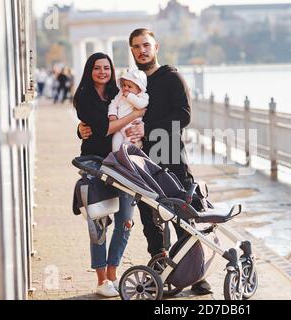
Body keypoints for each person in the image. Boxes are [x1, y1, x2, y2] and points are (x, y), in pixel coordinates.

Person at [79, 29, 212, 295]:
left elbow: (184, 116)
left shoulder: (171, 77)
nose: (142, 50)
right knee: (150, 218)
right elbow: (108, 115)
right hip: (138, 161)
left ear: (156, 47)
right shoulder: (128, 83)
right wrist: (81, 129)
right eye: (137, 46)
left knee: (182, 214)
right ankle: (160, 267)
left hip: (170, 156)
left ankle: (196, 275)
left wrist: (147, 128)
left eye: (146, 45)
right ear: (131, 50)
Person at [74, 52, 146, 298]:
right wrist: (134, 116)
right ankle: (102, 278)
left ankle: (114, 272)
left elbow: (144, 111)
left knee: (126, 220)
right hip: (96, 163)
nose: (102, 72)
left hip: (124, 164)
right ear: (89, 70)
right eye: (97, 68)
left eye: (106, 67)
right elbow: (103, 129)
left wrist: (140, 125)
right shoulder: (83, 95)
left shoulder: (120, 92)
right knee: (99, 221)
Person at [108, 68, 149, 152]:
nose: (126, 88)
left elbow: (141, 105)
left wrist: (129, 96)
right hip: (119, 129)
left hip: (132, 129)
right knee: (115, 146)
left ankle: (127, 158)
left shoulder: (143, 96)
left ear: (139, 89)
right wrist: (112, 114)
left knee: (127, 149)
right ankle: (116, 160)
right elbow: (113, 103)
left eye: (129, 86)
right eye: (124, 85)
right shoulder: (120, 94)